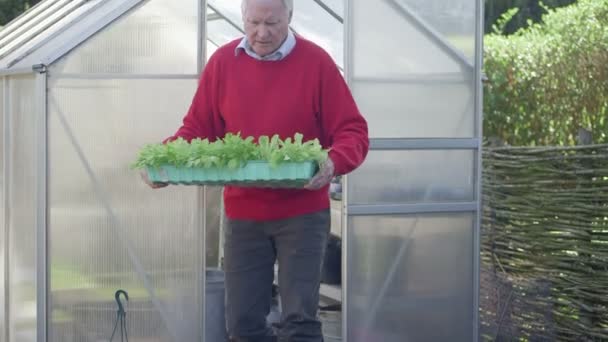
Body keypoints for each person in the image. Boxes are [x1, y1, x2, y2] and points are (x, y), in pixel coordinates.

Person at [142, 0, 368, 340]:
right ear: (243, 18)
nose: (261, 33)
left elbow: (353, 131)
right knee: (243, 322)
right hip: (243, 215)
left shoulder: (316, 62)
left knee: (300, 321)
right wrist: (163, 160)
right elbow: (197, 129)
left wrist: (334, 161)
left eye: (272, 23)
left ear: (290, 17)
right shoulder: (222, 63)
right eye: (253, 22)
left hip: (303, 213)